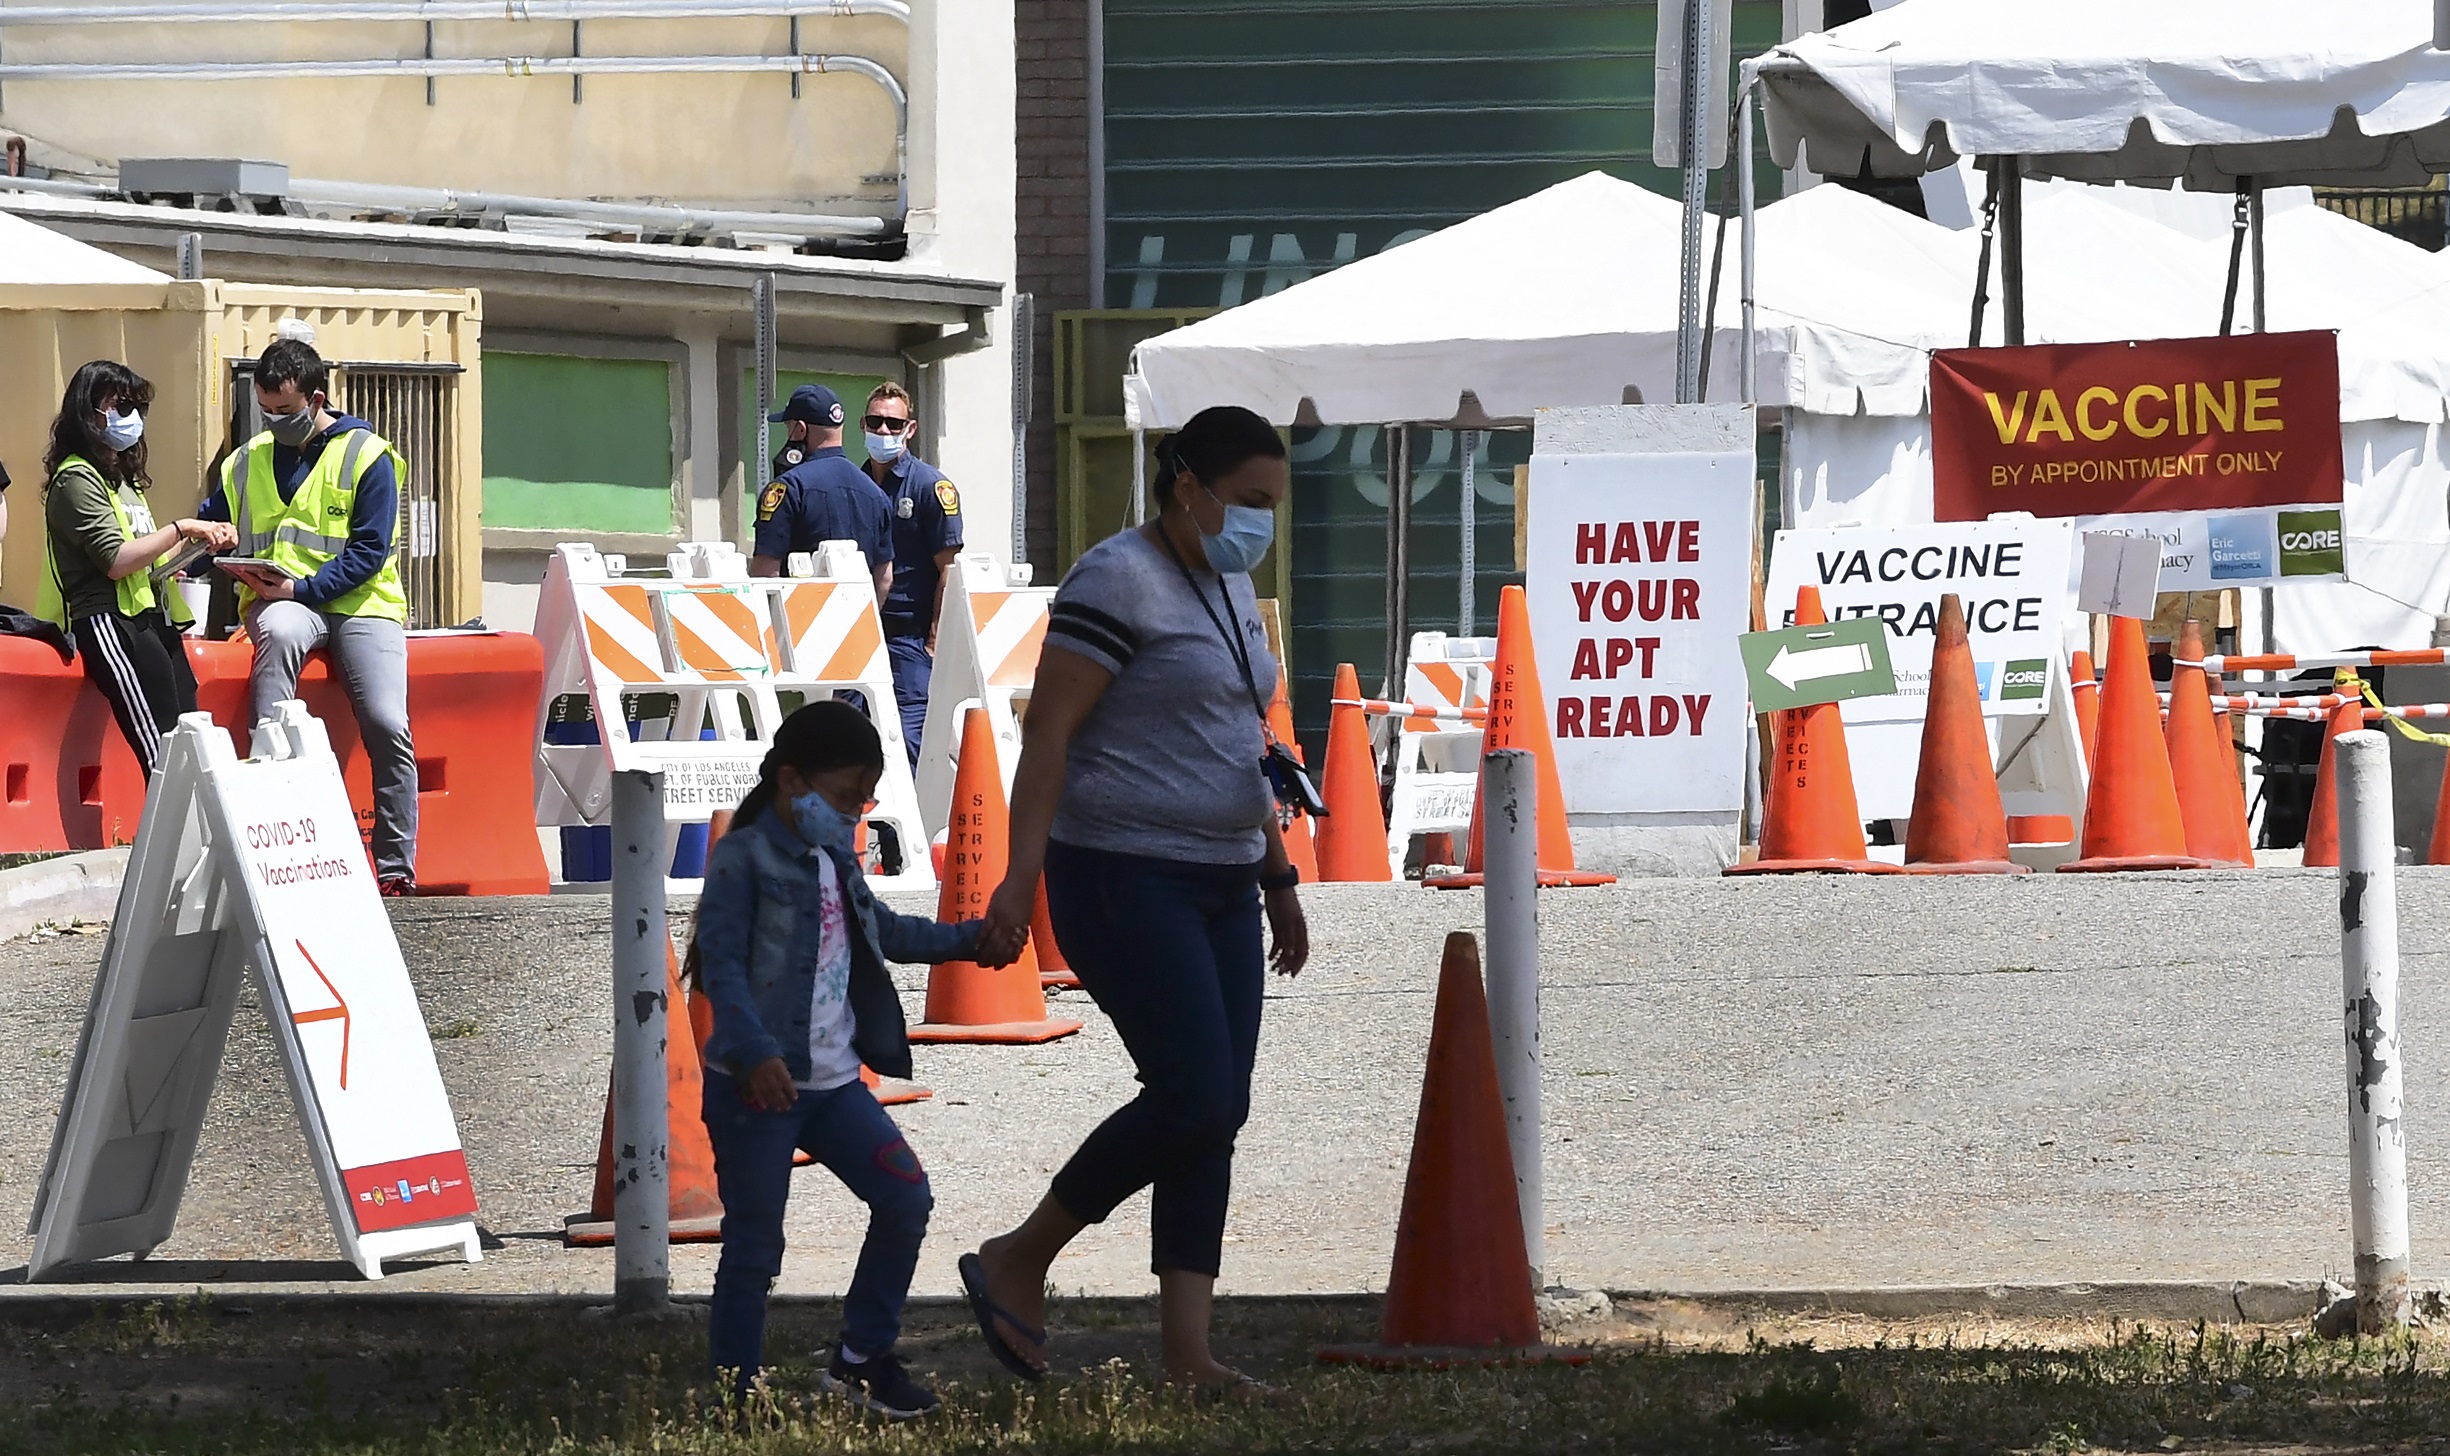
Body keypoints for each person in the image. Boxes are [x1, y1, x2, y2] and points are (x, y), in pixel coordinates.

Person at [964, 405, 1310, 1394]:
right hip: (1122, 875)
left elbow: (1240, 741)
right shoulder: (1115, 577)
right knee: (1195, 1096)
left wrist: (1275, 875)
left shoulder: (1228, 581)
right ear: (1185, 484)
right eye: (1248, 500)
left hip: (1220, 881)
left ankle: (1188, 1354)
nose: (1260, 523)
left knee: (1213, 1113)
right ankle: (1018, 1256)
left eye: (1273, 506)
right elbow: (1050, 738)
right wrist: (1018, 881)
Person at [691, 700, 1027, 1414]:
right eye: (844, 797)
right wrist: (754, 1053)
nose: (852, 813)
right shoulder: (742, 858)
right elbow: (718, 967)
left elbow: (885, 932)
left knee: (905, 1199)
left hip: (835, 1086)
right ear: (790, 780)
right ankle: (735, 1396)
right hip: (757, 1092)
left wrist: (973, 940)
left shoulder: (833, 854)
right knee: (754, 1250)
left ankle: (860, 1358)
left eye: (862, 799)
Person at [198, 338, 419, 895]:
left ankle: (395, 868)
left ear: (317, 398)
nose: (274, 422)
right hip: (284, 606)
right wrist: (216, 543)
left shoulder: (367, 456)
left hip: (362, 606)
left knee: (389, 723)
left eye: (285, 411)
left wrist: (305, 587)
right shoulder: (245, 462)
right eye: (265, 410)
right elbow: (216, 524)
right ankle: (270, 831)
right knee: (275, 646)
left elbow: (371, 552)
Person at [37, 360, 234, 777]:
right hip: (108, 622)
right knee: (160, 753)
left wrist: (191, 548)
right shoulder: (76, 479)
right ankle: (166, 842)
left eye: (138, 409)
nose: (133, 419)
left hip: (149, 619)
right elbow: (116, 560)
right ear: (90, 411)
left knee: (190, 735)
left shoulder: (122, 479)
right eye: (121, 406)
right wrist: (181, 528)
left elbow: (146, 557)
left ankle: (194, 838)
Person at [858, 382, 963, 765]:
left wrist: (933, 641)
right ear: (862, 425)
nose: (883, 431)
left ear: (910, 429)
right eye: (875, 421)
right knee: (848, 740)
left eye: (893, 423)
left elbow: (949, 570)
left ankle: (910, 827)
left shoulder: (930, 487)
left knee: (907, 741)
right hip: (858, 634)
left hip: (910, 637)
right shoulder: (857, 484)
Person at [750, 383, 894, 608]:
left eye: (789, 427)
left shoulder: (788, 488)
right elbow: (884, 578)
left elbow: (766, 573)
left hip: (797, 629)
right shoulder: (876, 494)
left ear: (800, 430)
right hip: (858, 632)